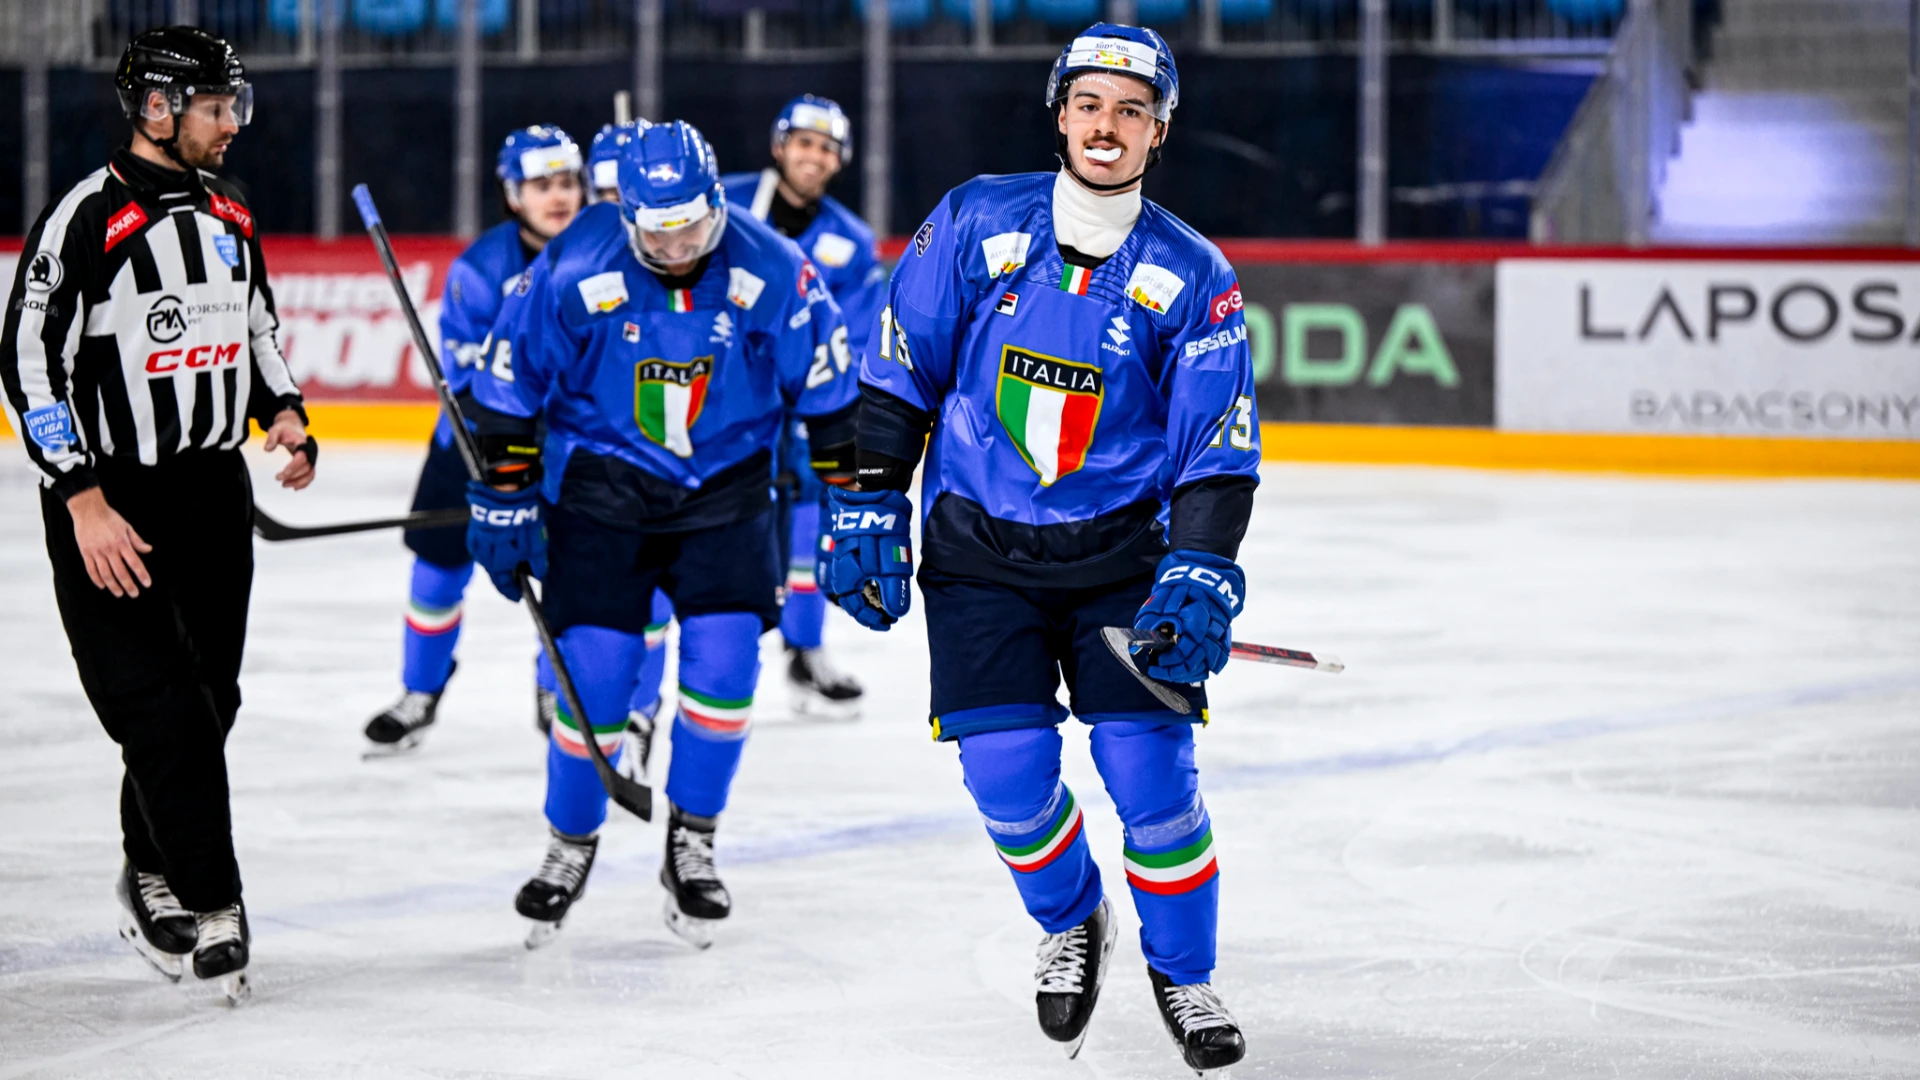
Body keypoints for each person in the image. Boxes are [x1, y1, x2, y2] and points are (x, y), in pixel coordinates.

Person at [822, 25, 1257, 1076]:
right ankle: (1072, 918)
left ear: (1158, 131)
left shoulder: (1194, 273)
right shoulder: (976, 219)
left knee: (1149, 777)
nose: (1108, 126)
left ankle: (1185, 971)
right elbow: (901, 373)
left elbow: (1215, 445)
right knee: (1007, 777)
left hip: (1123, 562)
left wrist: (1200, 566)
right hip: (979, 555)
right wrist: (870, 502)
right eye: (1090, 105)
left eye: (1132, 111)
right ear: (1060, 114)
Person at [462, 121, 858, 948]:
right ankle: (569, 842)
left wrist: (859, 505)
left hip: (727, 491)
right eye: (657, 232)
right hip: (604, 494)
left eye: (693, 228)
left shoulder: (773, 266)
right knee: (595, 686)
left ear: (718, 204)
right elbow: (508, 383)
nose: (677, 249)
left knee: (724, 673)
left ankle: (694, 841)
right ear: (626, 214)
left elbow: (828, 395)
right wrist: (504, 495)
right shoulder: (575, 262)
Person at [0, 25, 317, 1003]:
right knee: (162, 712)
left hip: (212, 496)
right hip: (113, 504)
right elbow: (27, 364)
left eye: (234, 105)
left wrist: (285, 411)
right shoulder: (84, 219)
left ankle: (148, 864)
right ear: (155, 108)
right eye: (217, 107)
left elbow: (255, 326)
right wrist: (80, 496)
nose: (233, 123)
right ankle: (211, 902)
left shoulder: (230, 210)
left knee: (212, 703)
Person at [363, 125, 585, 753]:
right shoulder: (479, 270)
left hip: (568, 449)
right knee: (436, 574)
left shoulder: (604, 257)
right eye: (541, 184)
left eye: (567, 181)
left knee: (568, 577)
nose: (558, 195)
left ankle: (554, 687)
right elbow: (472, 382)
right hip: (470, 441)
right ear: (513, 195)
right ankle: (420, 691)